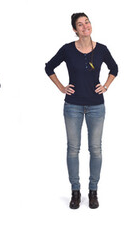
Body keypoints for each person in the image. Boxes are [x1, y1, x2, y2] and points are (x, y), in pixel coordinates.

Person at [45, 12, 118, 210]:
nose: (85, 26)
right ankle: (75, 191)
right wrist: (61, 87)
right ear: (75, 30)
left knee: (95, 149)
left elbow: (115, 69)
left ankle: (93, 191)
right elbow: (49, 67)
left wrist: (106, 85)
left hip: (96, 106)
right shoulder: (68, 50)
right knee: (73, 149)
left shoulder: (102, 49)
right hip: (73, 106)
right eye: (80, 24)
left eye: (87, 22)